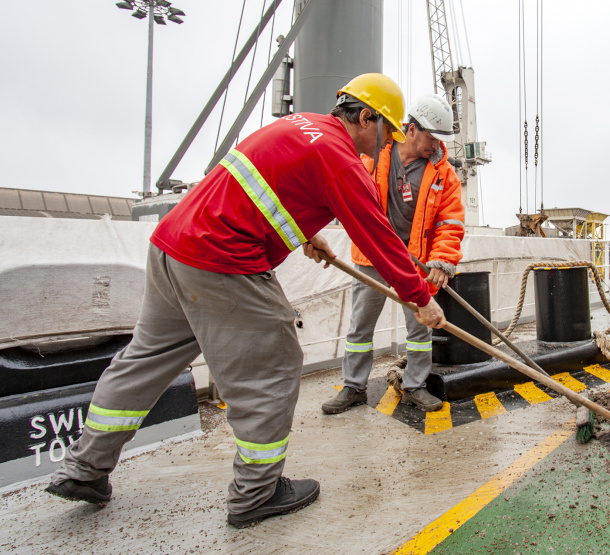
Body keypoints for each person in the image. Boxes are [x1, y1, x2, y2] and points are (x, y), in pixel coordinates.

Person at [45, 73, 447, 529]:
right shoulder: (340, 157)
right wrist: (419, 298)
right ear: (367, 117)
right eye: (387, 131)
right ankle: (256, 493)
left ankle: (84, 467)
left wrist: (306, 234)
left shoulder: (297, 125)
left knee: (146, 359)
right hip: (220, 260)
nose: (388, 143)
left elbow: (263, 189)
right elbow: (377, 236)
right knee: (274, 364)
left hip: (171, 245)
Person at [322, 94, 465, 415]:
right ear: (411, 129)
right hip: (372, 257)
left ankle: (414, 386)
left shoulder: (444, 174)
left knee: (420, 329)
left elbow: (451, 222)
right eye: (432, 137)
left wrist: (443, 260)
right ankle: (353, 387)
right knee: (360, 327)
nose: (436, 145)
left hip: (415, 262)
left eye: (440, 139)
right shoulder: (374, 151)